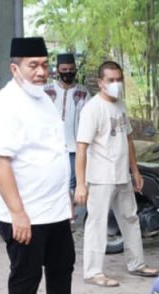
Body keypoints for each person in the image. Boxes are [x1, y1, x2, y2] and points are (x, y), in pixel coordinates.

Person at [0, 37, 94, 294]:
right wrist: (18, 213)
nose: (40, 71)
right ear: (14, 68)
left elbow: (55, 152)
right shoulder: (4, 105)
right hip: (23, 212)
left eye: (44, 65)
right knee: (27, 274)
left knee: (62, 266)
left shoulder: (44, 100)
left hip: (53, 208)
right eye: (33, 65)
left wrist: (64, 200)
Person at [75, 61, 159, 287]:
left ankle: (137, 263)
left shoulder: (120, 105)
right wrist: (81, 184)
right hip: (100, 177)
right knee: (97, 223)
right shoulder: (92, 109)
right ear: (100, 83)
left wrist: (135, 170)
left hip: (121, 174)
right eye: (111, 80)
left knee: (131, 218)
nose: (116, 84)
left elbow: (128, 139)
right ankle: (93, 272)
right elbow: (81, 147)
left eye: (118, 79)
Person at [44, 53, 89, 196]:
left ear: (75, 70)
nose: (68, 73)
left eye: (71, 69)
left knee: (72, 185)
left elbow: (90, 119)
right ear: (57, 70)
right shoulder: (46, 91)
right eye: (64, 70)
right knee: (53, 183)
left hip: (75, 149)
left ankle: (70, 216)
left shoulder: (83, 92)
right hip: (51, 147)